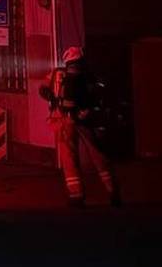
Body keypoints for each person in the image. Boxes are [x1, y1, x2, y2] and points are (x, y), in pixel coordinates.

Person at [39, 47, 120, 207]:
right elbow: (98, 94)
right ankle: (113, 192)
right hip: (85, 120)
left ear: (66, 60)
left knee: (69, 158)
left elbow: (42, 89)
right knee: (98, 155)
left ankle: (76, 195)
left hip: (63, 121)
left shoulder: (56, 73)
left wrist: (52, 98)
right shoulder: (88, 76)